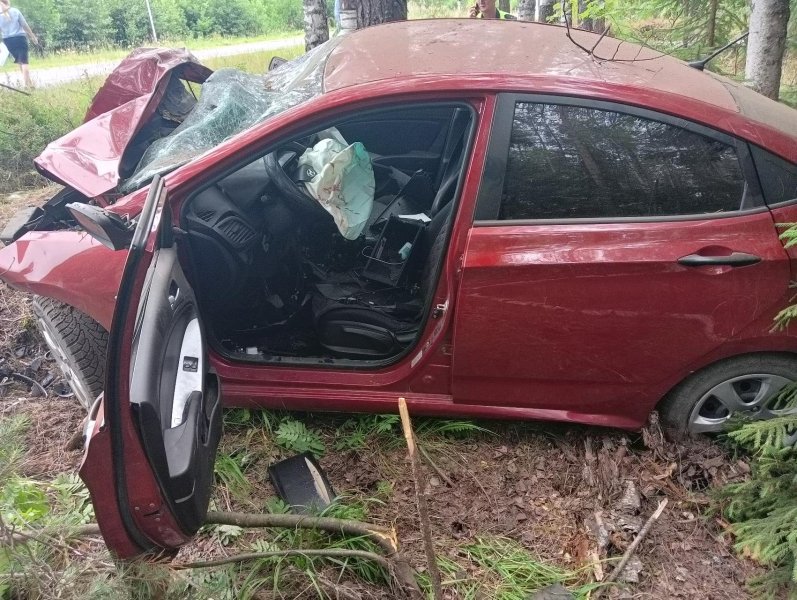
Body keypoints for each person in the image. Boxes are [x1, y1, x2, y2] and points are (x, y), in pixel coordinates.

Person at [0, 0, 37, 88]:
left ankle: (29, 83)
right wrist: (33, 37)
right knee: (24, 61)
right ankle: (28, 85)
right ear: (7, 2)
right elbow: (25, 25)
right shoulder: (15, 11)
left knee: (20, 61)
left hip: (8, 41)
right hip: (20, 38)